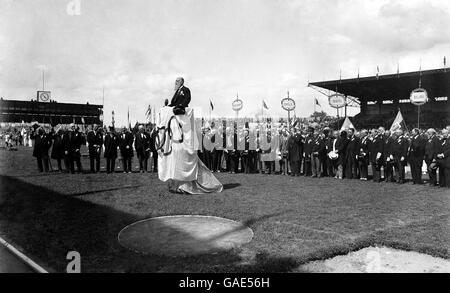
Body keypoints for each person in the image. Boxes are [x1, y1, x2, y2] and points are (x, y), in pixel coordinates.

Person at [156, 79, 222, 194]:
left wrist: (180, 106)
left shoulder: (185, 90)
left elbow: (186, 101)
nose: (175, 83)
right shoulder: (175, 93)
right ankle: (176, 185)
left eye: (177, 82)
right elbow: (173, 104)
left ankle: (186, 186)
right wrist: (167, 108)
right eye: (175, 82)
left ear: (181, 83)